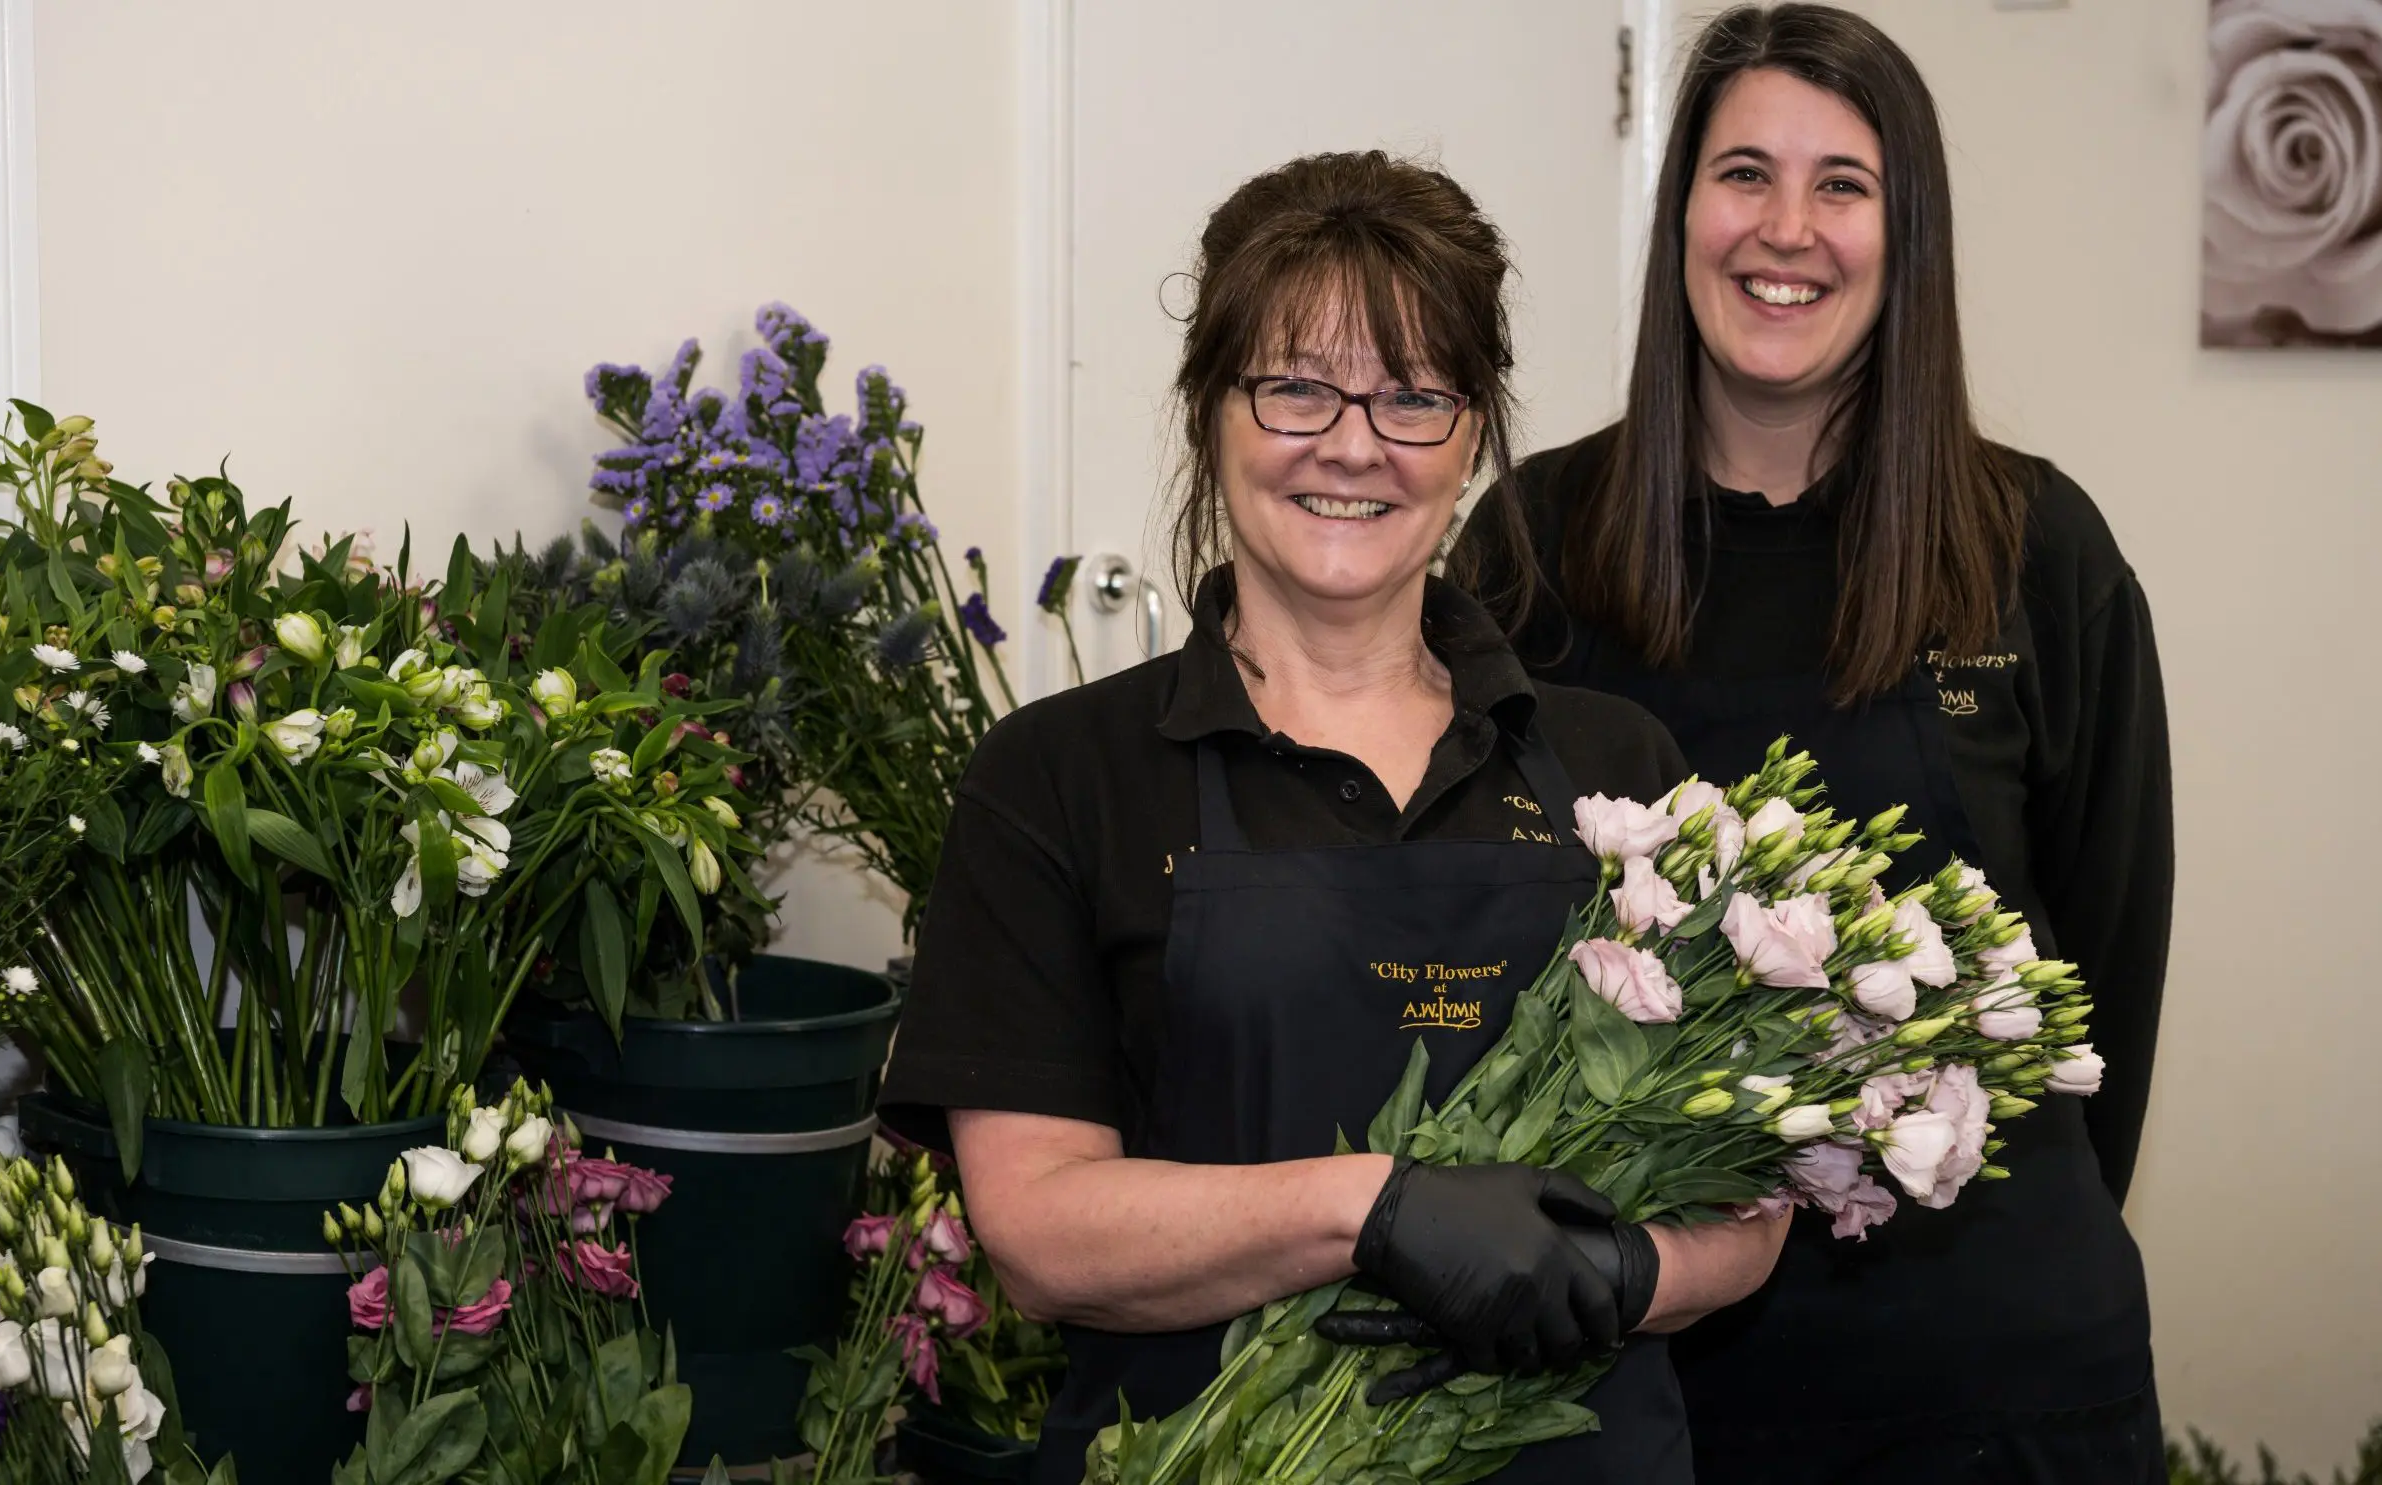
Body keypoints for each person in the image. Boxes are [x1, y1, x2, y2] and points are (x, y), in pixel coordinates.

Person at [879, 151, 1790, 1485]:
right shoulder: (1062, 777)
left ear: (1473, 435)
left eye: (1415, 397)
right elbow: (1038, 1233)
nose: (1353, 443)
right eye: (1297, 386)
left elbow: (1753, 1199)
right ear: (1210, 411)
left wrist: (1620, 1271)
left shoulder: (1616, 769)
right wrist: (1376, 1210)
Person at [1458, 7, 2170, 1481]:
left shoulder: (2033, 550)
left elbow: (2105, 979)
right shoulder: (1536, 546)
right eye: (1743, 175)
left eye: (1844, 183)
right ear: (1680, 217)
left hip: (1995, 1382)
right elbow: (1462, 941)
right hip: (1630, 1372)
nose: (1788, 230)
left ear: (1908, 236)